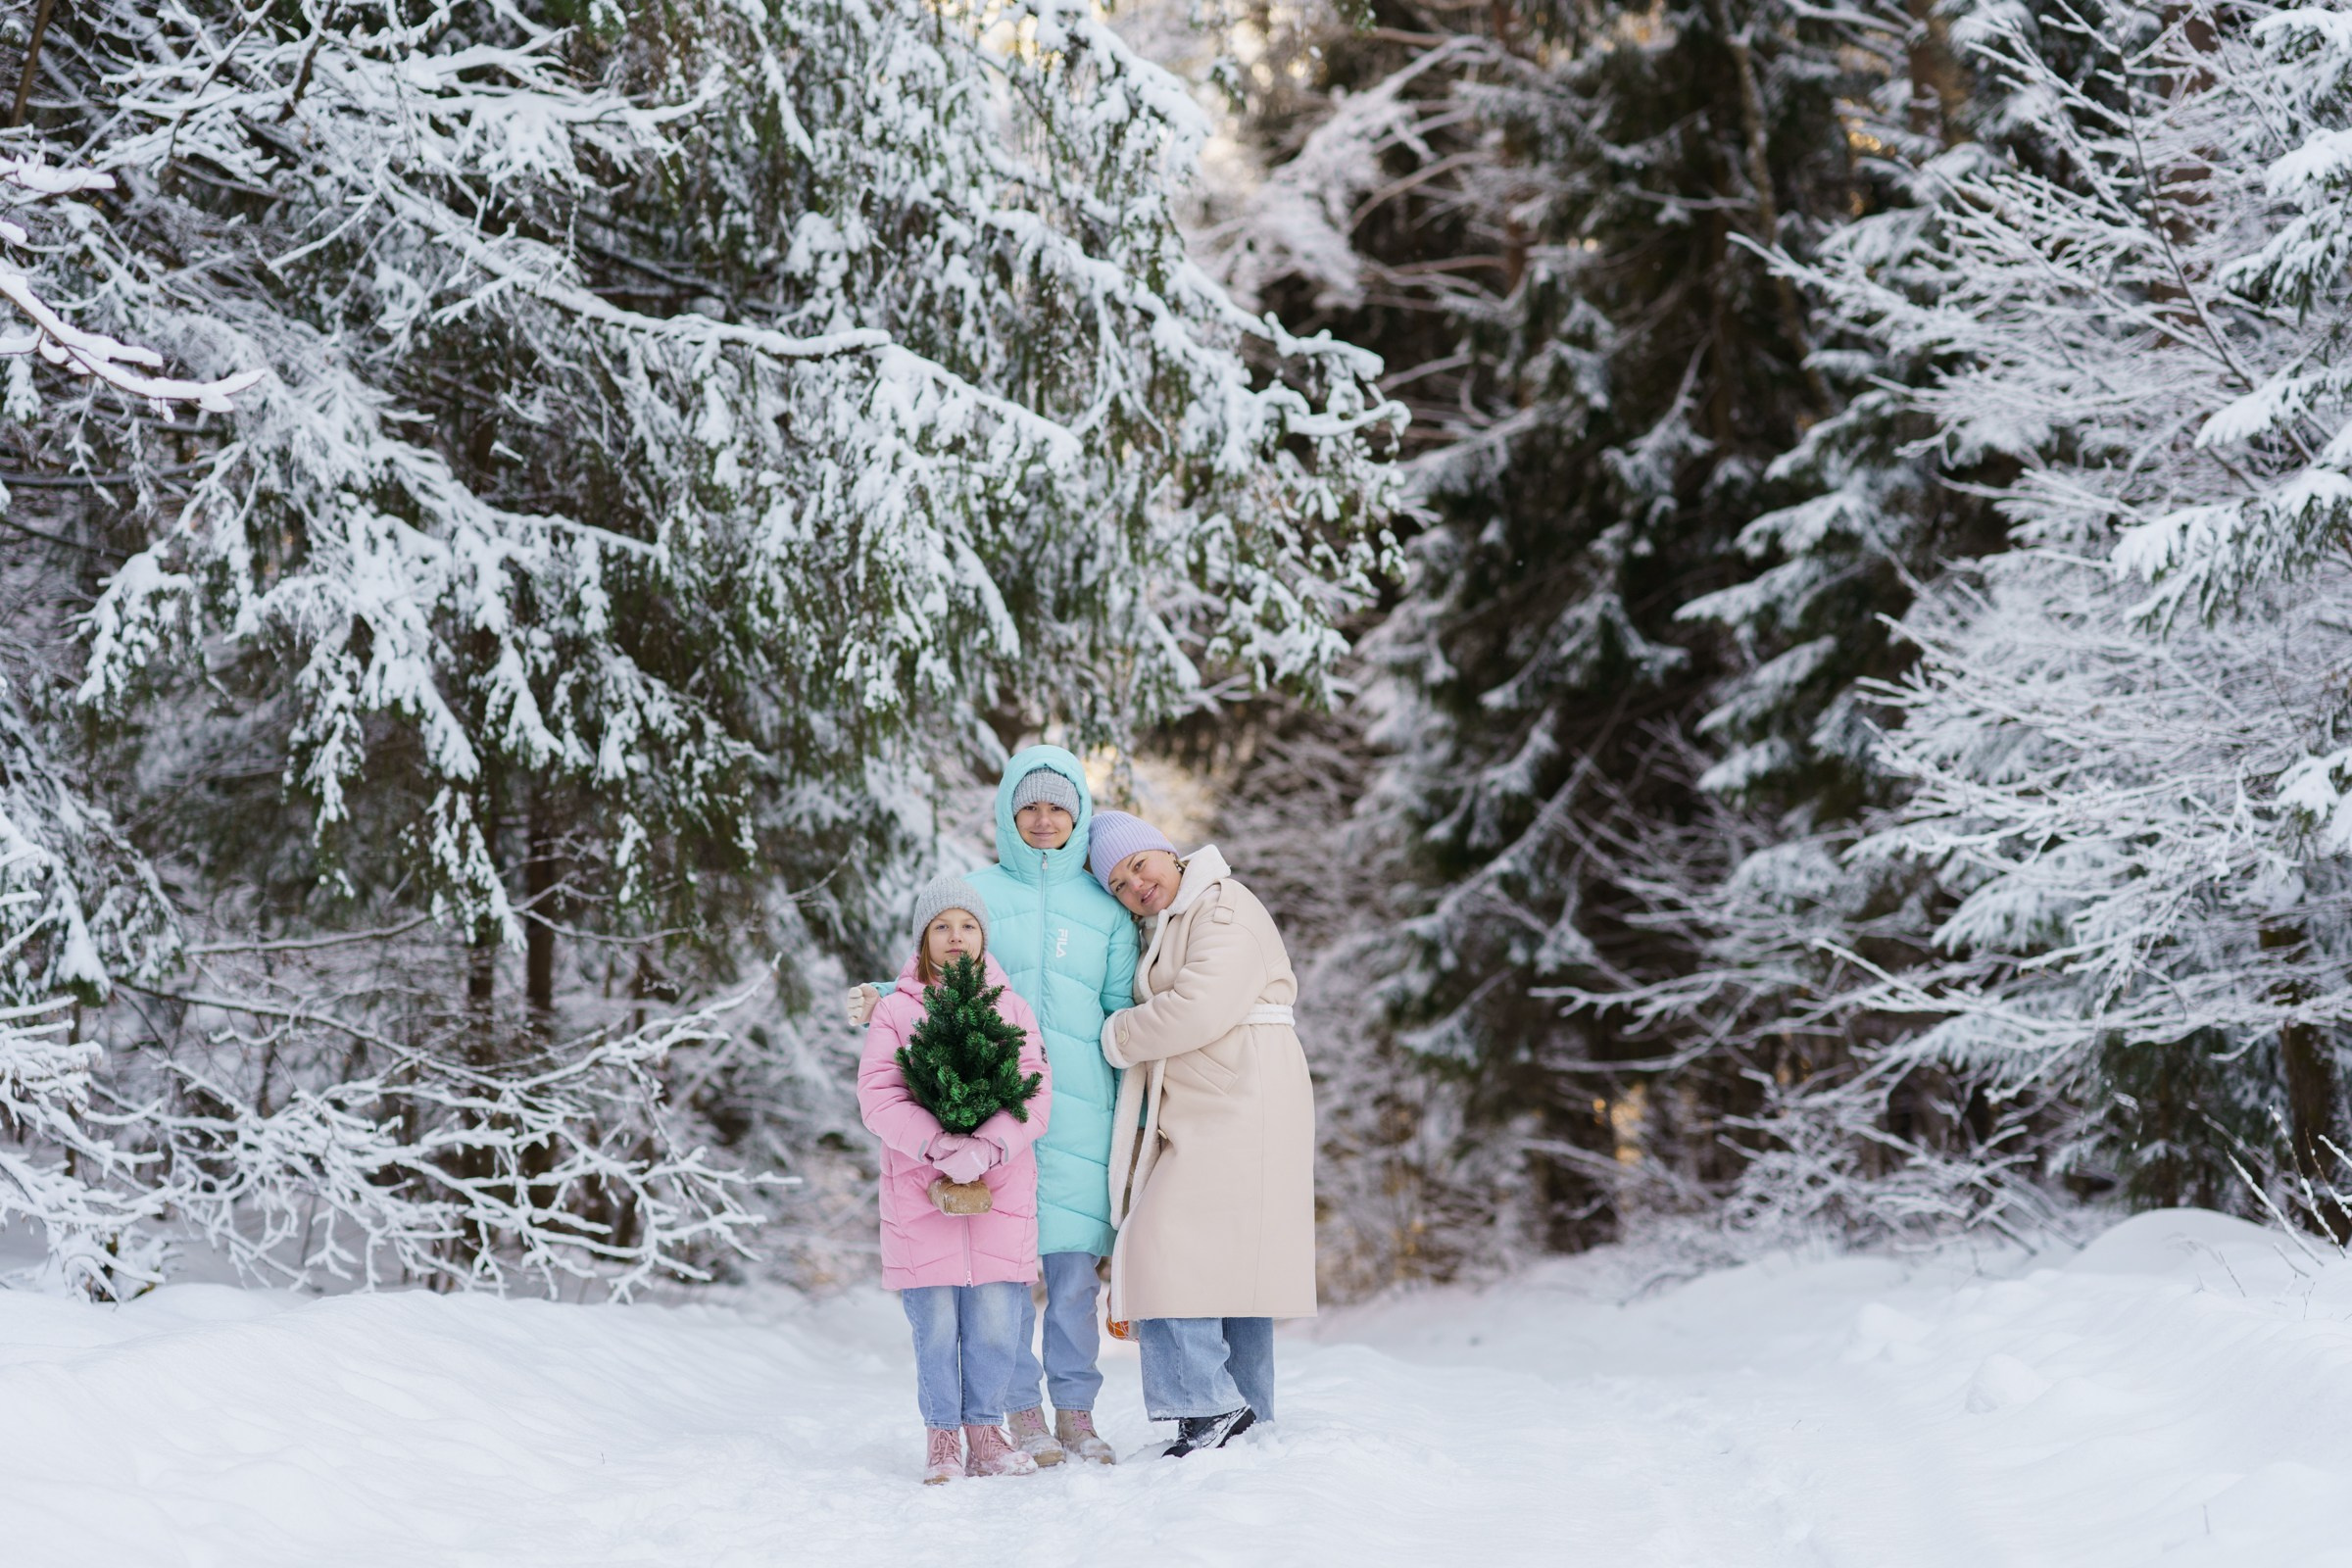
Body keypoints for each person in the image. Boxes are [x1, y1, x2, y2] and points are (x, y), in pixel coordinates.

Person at [847, 747, 1135, 1465]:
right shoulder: (973, 891)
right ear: (1008, 811)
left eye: (1058, 807)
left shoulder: (1105, 908)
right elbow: (934, 974)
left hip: (1078, 1116)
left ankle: (1075, 1413)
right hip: (976, 1122)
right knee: (997, 1279)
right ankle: (1015, 1415)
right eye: (1029, 805)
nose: (1043, 819)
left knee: (1070, 1280)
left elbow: (1124, 1011)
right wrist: (881, 997)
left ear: (1079, 815)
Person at [1090, 811, 1317, 1458]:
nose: (1135, 884)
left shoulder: (1223, 906)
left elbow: (1200, 1006)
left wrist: (1117, 1037)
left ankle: (1208, 1404)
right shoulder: (1179, 915)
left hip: (1243, 1093)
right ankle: (1248, 1410)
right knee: (1228, 1258)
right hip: (1219, 1097)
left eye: (1139, 865)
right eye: (1118, 883)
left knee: (1164, 1242)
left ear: (1168, 851)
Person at [857, 874, 1054, 1484]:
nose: (955, 936)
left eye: (967, 925)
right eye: (941, 926)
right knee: (936, 1327)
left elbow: (1035, 1093)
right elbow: (879, 1096)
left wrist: (986, 1149)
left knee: (998, 1323)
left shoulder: (1011, 1007)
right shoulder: (894, 1011)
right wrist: (940, 1146)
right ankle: (943, 1438)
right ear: (922, 940)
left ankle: (987, 1436)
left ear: (984, 937)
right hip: (921, 1194)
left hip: (999, 1192)